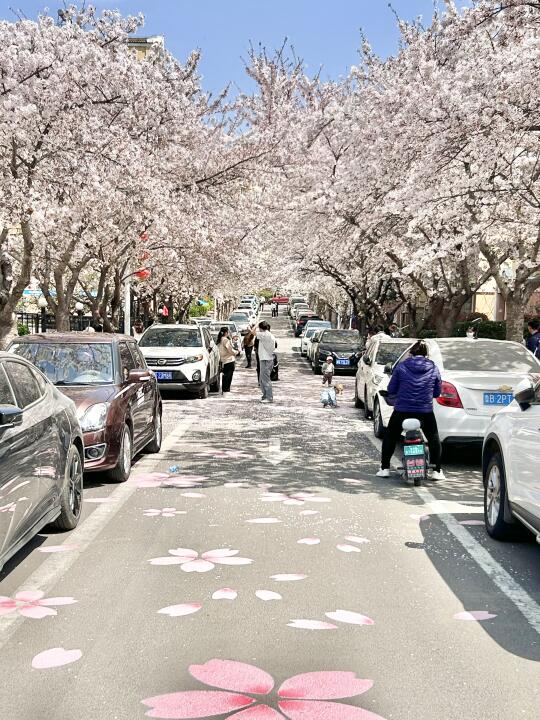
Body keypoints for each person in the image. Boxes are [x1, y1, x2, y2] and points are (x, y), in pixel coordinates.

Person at [376, 340, 445, 481]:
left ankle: (384, 468)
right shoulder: (433, 368)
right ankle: (437, 470)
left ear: (411, 353)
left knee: (390, 436)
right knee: (433, 438)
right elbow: (437, 393)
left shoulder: (401, 367)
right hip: (425, 411)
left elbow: (391, 389)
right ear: (426, 354)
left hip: (402, 409)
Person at [257, 321, 277, 403]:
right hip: (265, 358)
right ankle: (265, 395)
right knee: (263, 378)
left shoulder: (265, 334)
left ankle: (269, 397)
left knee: (265, 379)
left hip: (266, 359)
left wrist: (255, 325)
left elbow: (252, 332)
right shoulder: (268, 334)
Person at [217, 327, 239, 393]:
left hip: (223, 360)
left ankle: (224, 390)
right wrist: (237, 352)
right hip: (229, 360)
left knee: (225, 376)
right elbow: (230, 350)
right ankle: (226, 390)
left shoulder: (219, 339)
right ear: (226, 332)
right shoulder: (225, 340)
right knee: (228, 377)